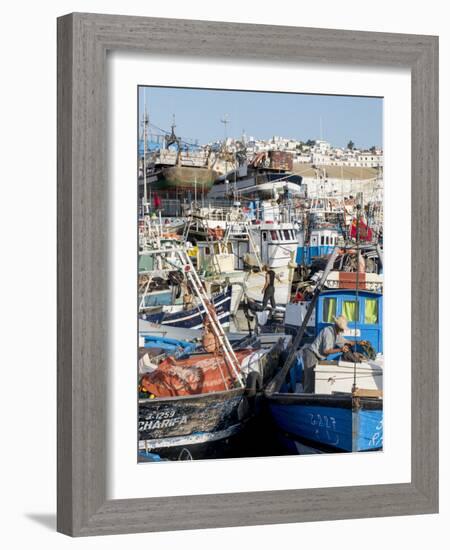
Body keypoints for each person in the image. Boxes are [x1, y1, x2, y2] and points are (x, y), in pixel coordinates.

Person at [302, 315, 357, 393]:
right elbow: (326, 351)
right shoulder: (328, 332)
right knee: (310, 381)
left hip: (316, 356)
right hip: (311, 355)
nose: (343, 331)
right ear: (338, 327)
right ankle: (305, 400)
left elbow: (344, 341)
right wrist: (341, 349)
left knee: (314, 381)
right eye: (342, 329)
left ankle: (309, 397)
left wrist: (357, 342)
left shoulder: (336, 333)